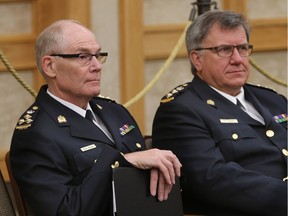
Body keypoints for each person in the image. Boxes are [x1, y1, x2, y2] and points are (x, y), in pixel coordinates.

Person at [9, 20, 182, 216]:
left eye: (98, 55)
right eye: (83, 56)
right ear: (50, 66)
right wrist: (123, 160)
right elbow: (65, 211)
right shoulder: (36, 133)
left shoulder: (114, 111)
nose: (97, 66)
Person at [152, 10, 287, 216]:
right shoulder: (180, 110)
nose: (237, 59)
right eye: (224, 50)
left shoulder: (273, 100)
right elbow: (214, 180)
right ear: (197, 59)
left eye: (242, 48)